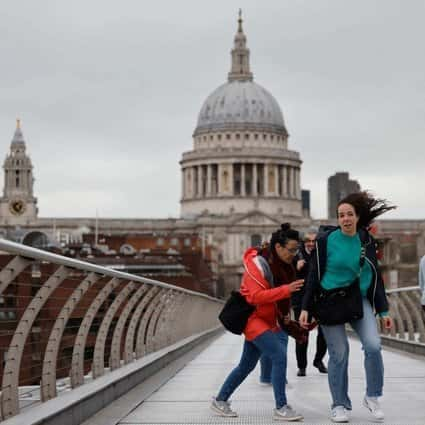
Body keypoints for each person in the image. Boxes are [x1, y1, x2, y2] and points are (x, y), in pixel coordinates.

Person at [299, 192, 395, 423]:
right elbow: (313, 275)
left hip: (357, 299)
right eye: (341, 215)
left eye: (349, 214)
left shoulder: (366, 240)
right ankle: (339, 404)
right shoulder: (324, 241)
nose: (345, 219)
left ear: (358, 216)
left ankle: (372, 396)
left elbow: (375, 276)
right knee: (339, 354)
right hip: (329, 300)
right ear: (337, 219)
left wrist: (383, 311)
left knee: (373, 345)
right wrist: (305, 307)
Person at [211, 224, 305, 421]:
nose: (294, 254)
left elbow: (279, 296)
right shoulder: (257, 265)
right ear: (278, 248)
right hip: (253, 318)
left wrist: (283, 315)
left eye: (297, 249)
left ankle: (220, 400)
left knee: (246, 365)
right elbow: (255, 297)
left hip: (267, 318)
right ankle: (281, 406)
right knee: (279, 355)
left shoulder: (283, 266)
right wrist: (286, 290)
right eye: (291, 250)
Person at [292, 229, 327, 377]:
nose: (311, 244)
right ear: (304, 242)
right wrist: (296, 265)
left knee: (325, 332)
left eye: (314, 241)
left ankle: (318, 360)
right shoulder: (296, 255)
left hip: (320, 298)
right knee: (302, 333)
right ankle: (302, 366)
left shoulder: (323, 253)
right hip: (301, 299)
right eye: (308, 241)